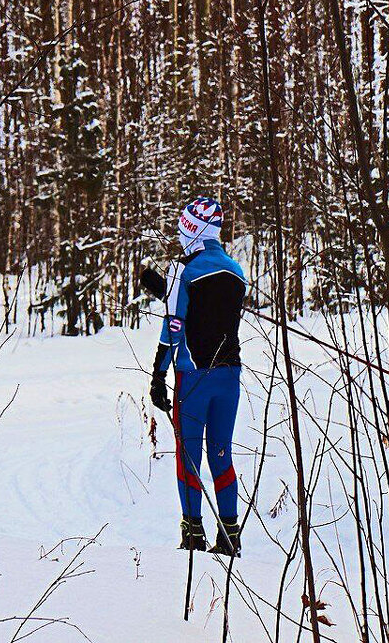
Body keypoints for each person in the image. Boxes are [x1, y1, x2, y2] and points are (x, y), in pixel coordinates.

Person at [139, 197, 247, 556]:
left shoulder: (181, 270)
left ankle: (193, 535)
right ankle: (230, 535)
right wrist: (166, 289)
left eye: (181, 226)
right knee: (221, 454)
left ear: (191, 229)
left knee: (188, 456)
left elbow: (176, 325)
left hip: (193, 377)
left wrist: (158, 373)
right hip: (229, 376)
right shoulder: (236, 270)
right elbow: (212, 311)